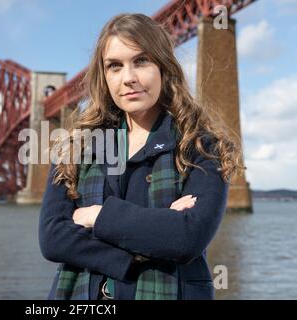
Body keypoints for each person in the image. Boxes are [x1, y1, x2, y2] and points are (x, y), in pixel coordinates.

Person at [38, 13, 245, 300]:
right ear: (104, 76)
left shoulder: (204, 148)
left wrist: (95, 216)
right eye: (115, 66)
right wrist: (154, 231)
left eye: (141, 61)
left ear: (163, 66)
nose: (129, 78)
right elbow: (53, 239)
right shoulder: (74, 149)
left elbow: (186, 239)